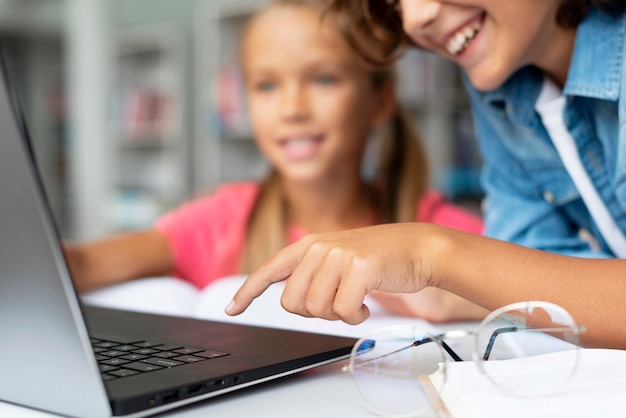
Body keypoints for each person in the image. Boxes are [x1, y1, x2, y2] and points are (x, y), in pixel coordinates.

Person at [226, 0, 626, 349]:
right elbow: (547, 278)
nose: (415, 18)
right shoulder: (501, 86)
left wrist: (433, 254)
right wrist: (460, 294)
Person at [64, 0, 486, 322]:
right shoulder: (221, 220)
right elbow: (83, 264)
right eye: (266, 86)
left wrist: (453, 294)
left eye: (323, 79)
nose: (291, 108)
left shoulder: (433, 230)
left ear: (380, 101)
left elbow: (537, 292)